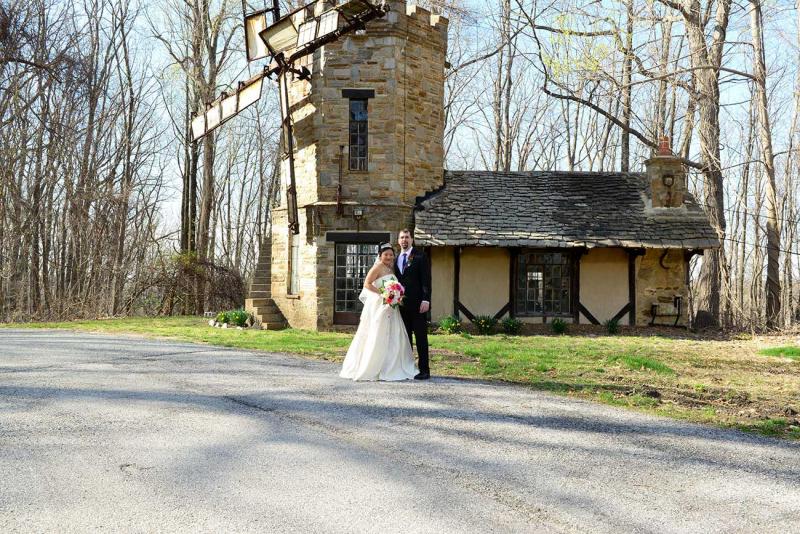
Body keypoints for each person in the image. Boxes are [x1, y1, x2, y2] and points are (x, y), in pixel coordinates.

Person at [339, 243, 419, 381]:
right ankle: (374, 365)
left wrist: (395, 295)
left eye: (390, 254)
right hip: (379, 304)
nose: (388, 257)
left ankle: (392, 366)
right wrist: (384, 294)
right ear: (380, 256)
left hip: (391, 306)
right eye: (385, 254)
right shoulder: (377, 267)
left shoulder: (391, 268)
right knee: (378, 332)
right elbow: (367, 284)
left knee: (394, 334)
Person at [395, 228, 431, 380]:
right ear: (398, 241)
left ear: (412, 240)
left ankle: (424, 370)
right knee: (406, 339)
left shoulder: (420, 256)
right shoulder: (396, 258)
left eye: (407, 237)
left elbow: (426, 280)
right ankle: (409, 368)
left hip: (418, 305)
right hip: (402, 306)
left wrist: (426, 299)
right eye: (402, 237)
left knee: (421, 338)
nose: (404, 240)